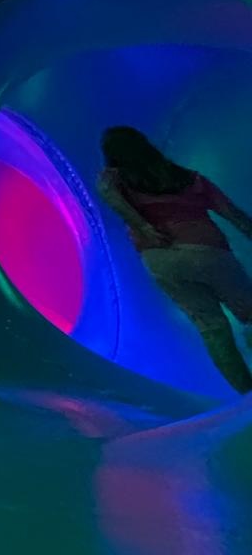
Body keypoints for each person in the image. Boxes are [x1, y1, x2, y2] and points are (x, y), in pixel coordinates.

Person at [96, 125, 252, 393]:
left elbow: (114, 201)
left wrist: (143, 227)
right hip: (207, 251)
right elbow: (234, 215)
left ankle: (248, 397)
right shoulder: (190, 180)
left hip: (160, 260)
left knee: (211, 328)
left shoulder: (114, 183)